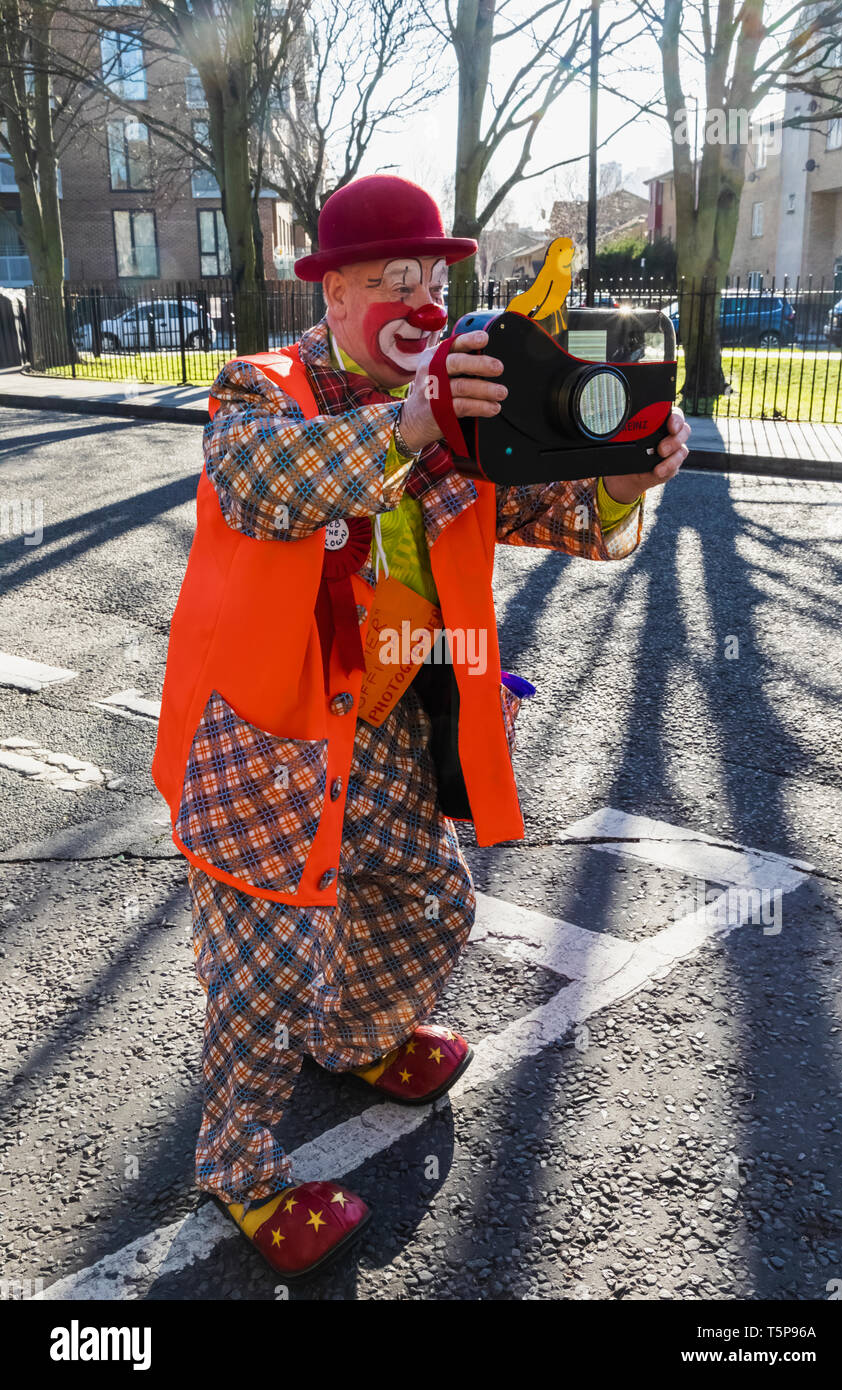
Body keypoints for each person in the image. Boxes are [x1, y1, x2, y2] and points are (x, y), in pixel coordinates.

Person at [152, 174, 690, 1280]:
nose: (421, 301)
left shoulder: (459, 405)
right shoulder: (260, 389)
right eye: (392, 281)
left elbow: (562, 516)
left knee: (431, 897)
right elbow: (259, 485)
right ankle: (240, 1166)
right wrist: (408, 421)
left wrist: (628, 472)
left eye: (433, 280)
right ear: (334, 295)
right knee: (264, 979)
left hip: (384, 725)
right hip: (264, 739)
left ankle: (352, 1042)